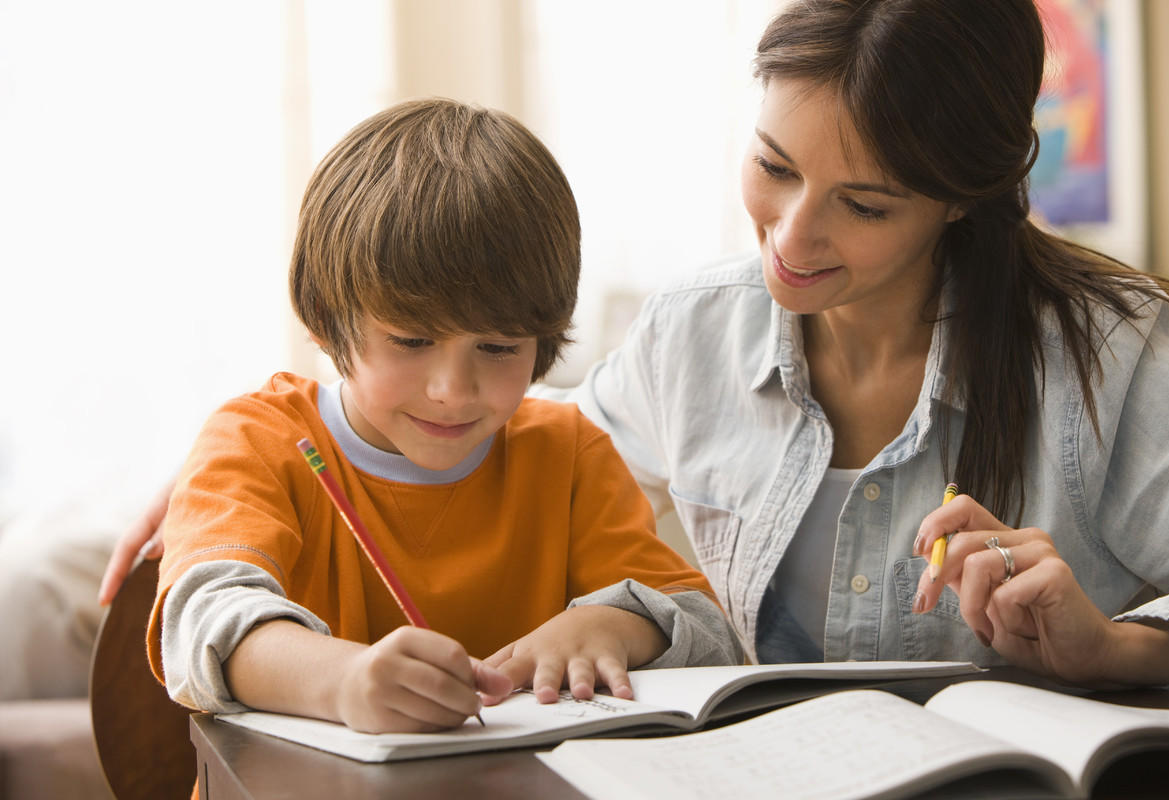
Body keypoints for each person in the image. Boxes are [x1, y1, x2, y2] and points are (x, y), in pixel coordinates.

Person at [108, 0, 1169, 689]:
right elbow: (500, 417)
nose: (791, 235)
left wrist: (1118, 646)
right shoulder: (695, 332)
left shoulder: (1117, 362)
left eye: (864, 205)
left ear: (962, 201)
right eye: (774, 165)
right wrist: (234, 454)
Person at [146, 98, 739, 739]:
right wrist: (344, 682)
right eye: (410, 341)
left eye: (499, 347)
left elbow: (704, 629)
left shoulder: (566, 454)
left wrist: (612, 626)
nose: (453, 392)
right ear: (323, 317)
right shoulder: (257, 442)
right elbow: (200, 624)